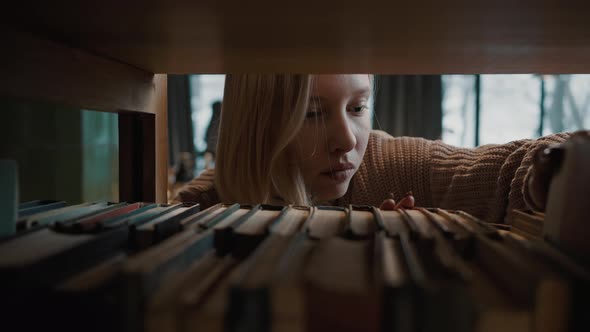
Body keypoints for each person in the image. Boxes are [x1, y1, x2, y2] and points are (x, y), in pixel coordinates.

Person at [173, 74, 575, 224]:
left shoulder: (398, 163)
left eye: (358, 107)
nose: (348, 141)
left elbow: (500, 169)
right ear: (259, 126)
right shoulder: (203, 206)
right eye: (313, 114)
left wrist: (558, 168)